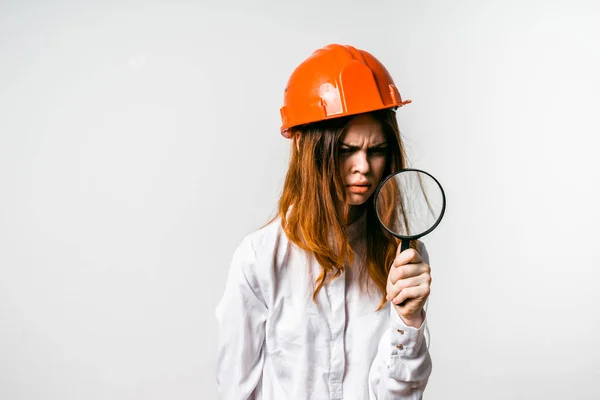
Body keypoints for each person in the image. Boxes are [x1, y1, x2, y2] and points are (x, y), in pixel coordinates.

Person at [215, 44, 433, 399]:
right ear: (307, 149)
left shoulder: (402, 255)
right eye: (346, 151)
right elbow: (234, 391)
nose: (363, 167)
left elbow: (400, 396)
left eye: (376, 150)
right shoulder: (259, 258)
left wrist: (409, 321)